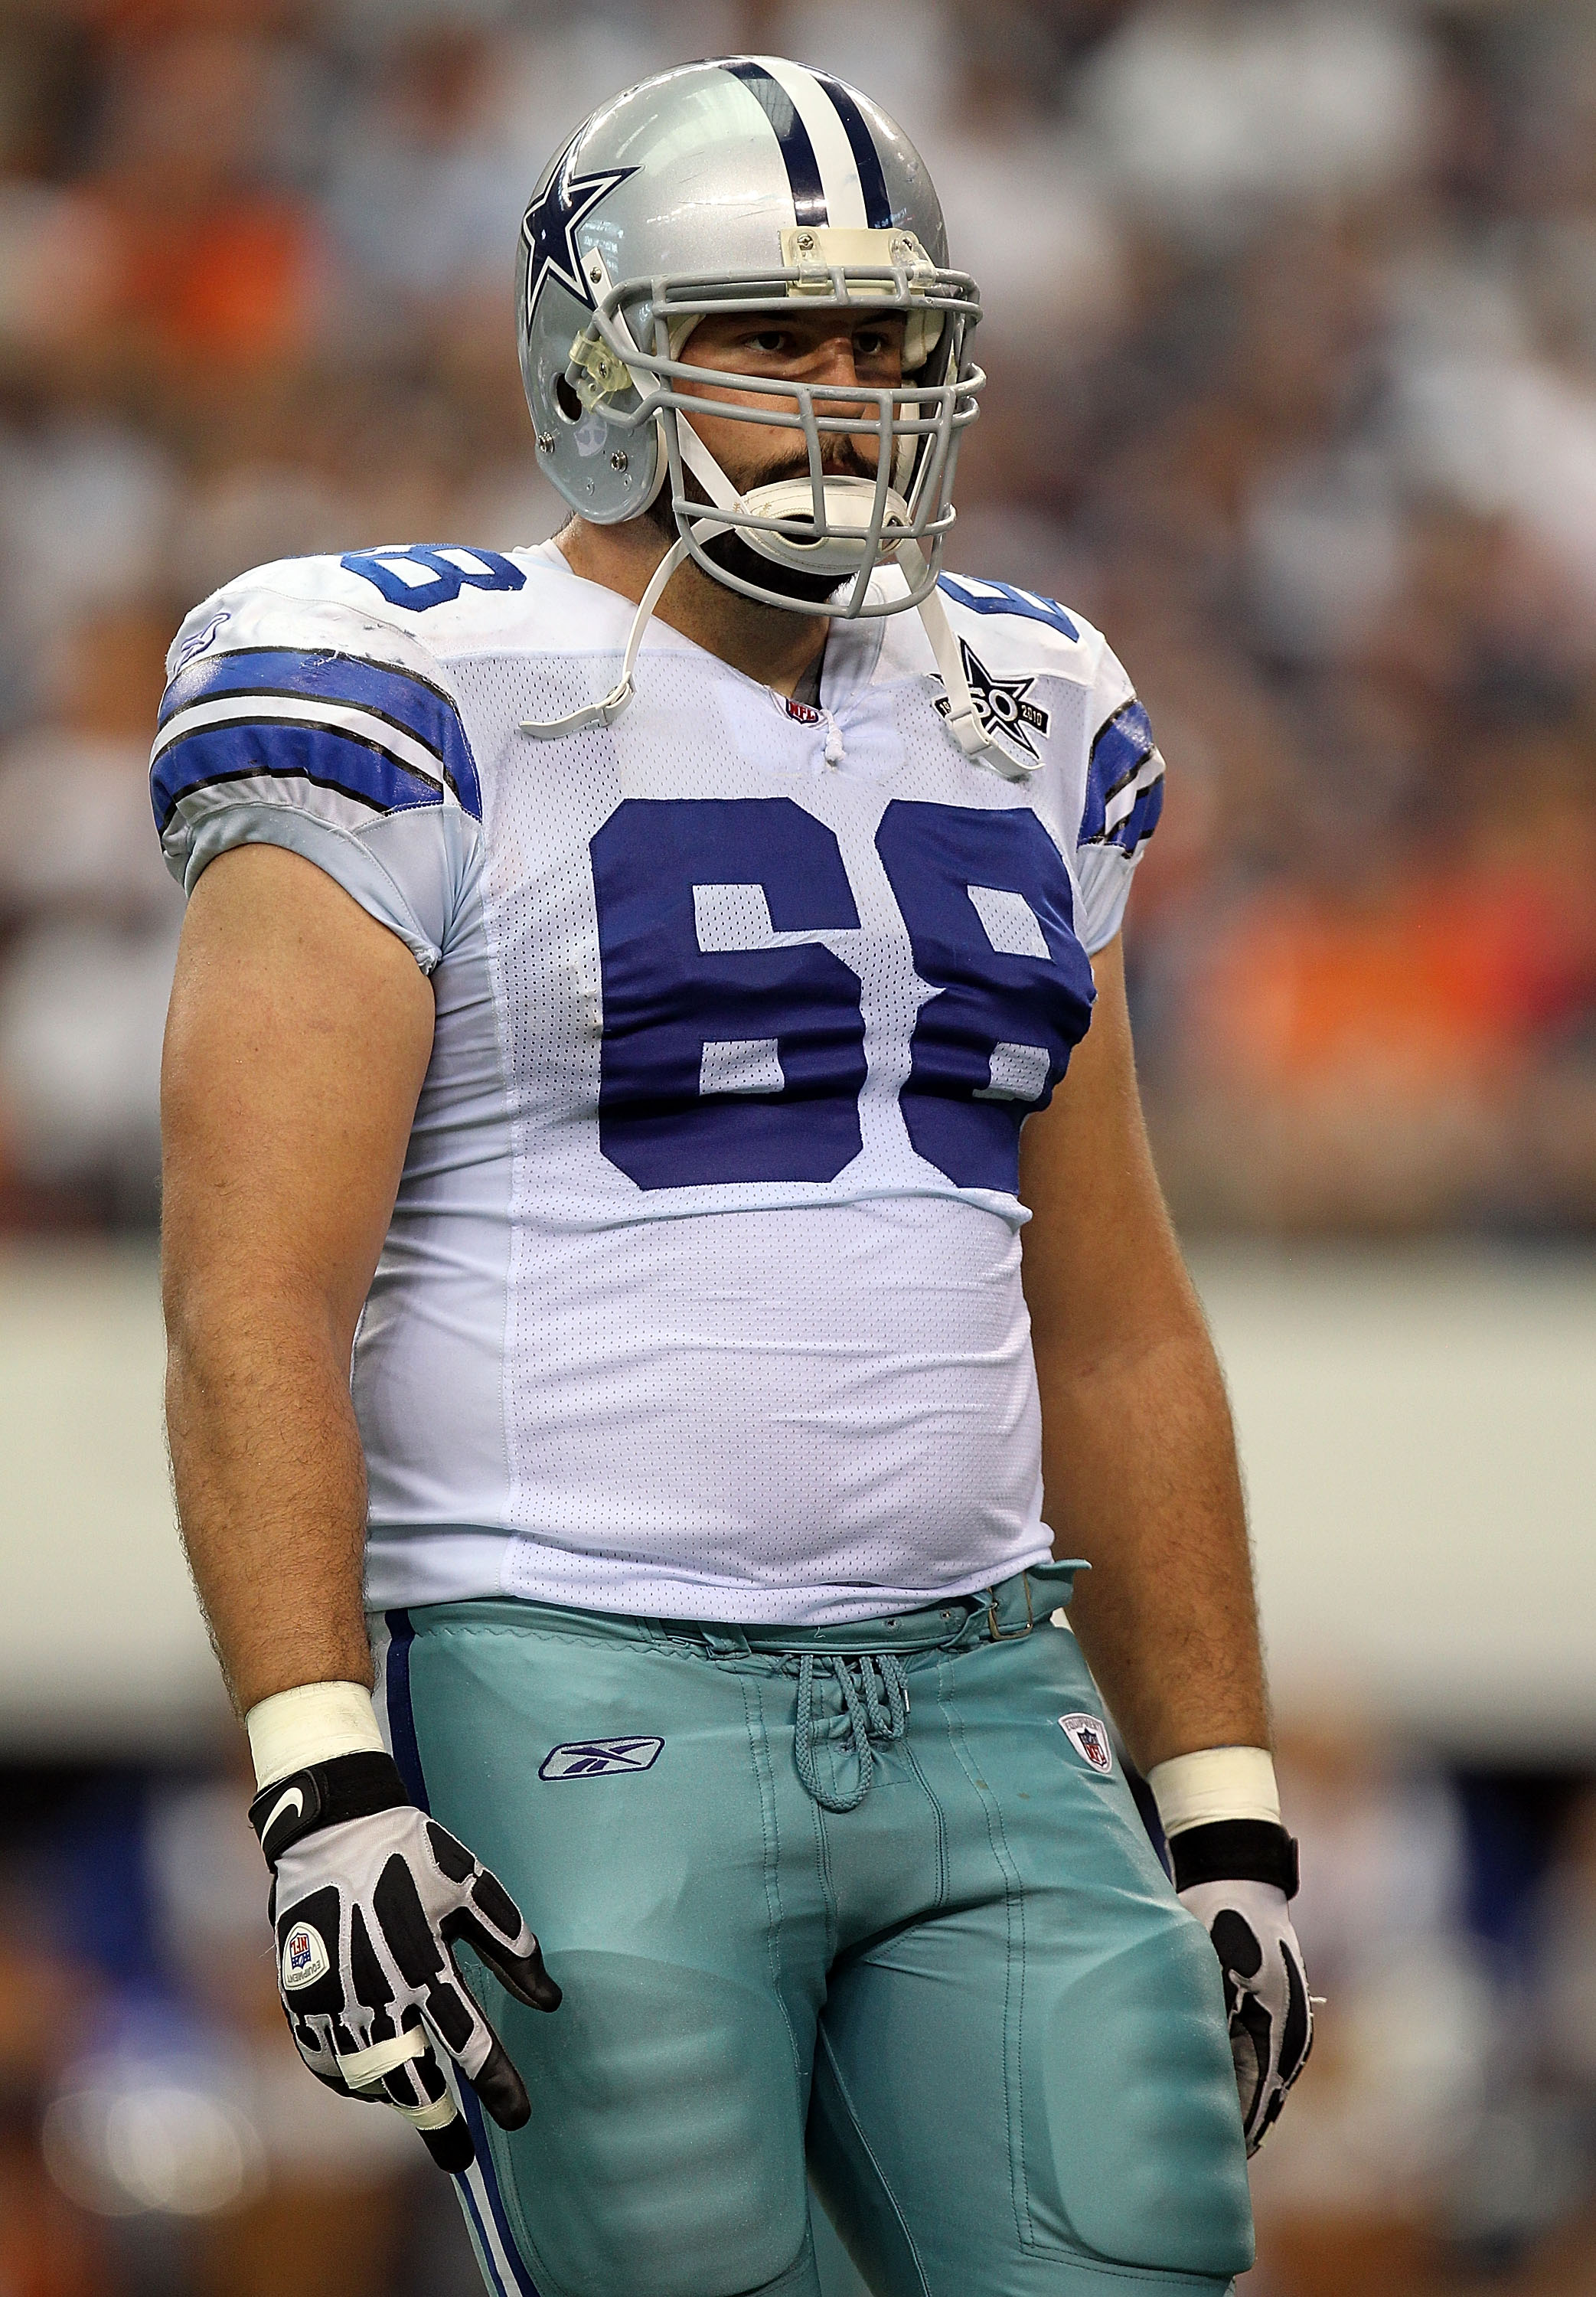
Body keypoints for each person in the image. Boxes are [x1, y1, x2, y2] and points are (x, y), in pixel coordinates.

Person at [153, 55, 1310, 2297]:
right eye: (774, 336)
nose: (849, 395)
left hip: (991, 1682)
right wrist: (318, 1767)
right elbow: (250, 1296)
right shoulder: (408, 683)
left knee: (1144, 2258)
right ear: (597, 354)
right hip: (577, 1685)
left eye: (886, 340)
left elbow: (1117, 1312)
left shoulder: (1032, 706)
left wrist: (1227, 1794)